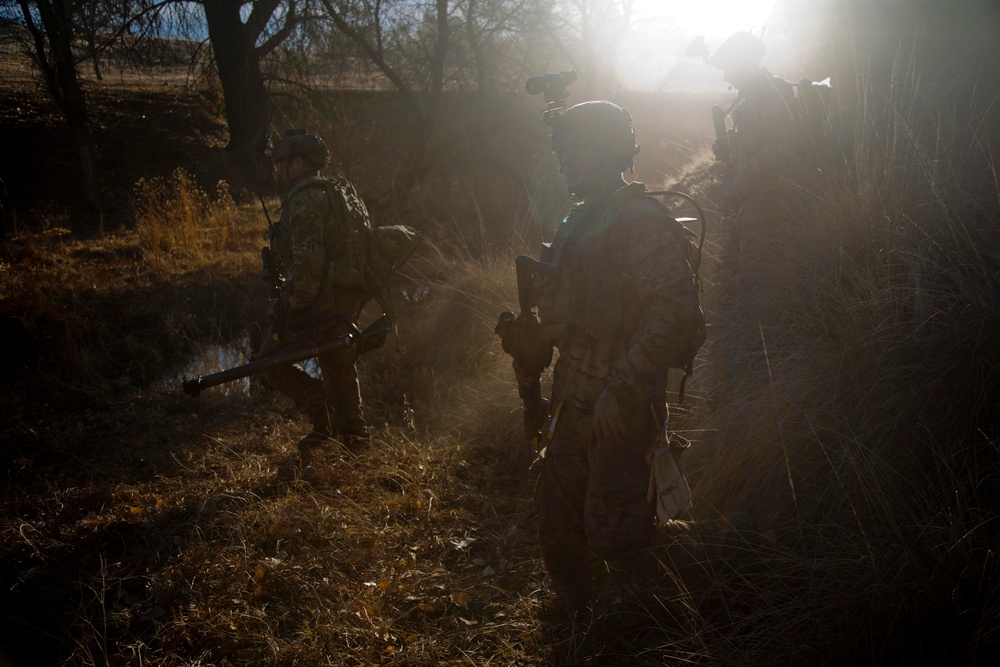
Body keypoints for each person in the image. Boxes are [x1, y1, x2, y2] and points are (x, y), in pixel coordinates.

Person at [511, 101, 741, 621]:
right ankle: (580, 625)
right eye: (562, 152)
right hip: (571, 398)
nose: (566, 161)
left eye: (577, 150)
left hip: (620, 404)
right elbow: (575, 314)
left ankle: (704, 590)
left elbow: (676, 310)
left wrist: (624, 386)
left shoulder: (637, 219)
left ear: (611, 150)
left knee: (617, 537)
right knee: (557, 525)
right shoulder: (580, 219)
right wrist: (531, 338)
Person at [258, 128, 372, 451]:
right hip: (342, 294)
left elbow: (309, 263)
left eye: (283, 164)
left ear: (298, 163)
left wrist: (295, 308)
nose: (279, 171)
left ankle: (326, 419)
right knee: (338, 360)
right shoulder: (332, 191)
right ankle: (355, 437)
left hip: (321, 298)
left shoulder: (305, 199)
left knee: (270, 360)